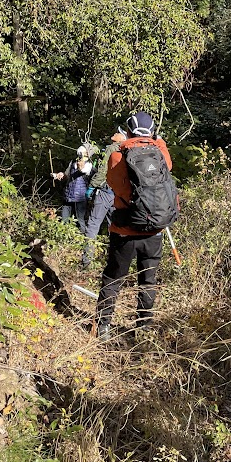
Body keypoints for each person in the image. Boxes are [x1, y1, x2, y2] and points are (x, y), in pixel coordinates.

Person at [95, 111, 175, 341]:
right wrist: (155, 140)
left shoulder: (117, 157)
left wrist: (124, 143)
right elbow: (167, 163)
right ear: (152, 132)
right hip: (154, 230)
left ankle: (103, 326)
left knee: (113, 278)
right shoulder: (160, 154)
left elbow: (113, 183)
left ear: (128, 130)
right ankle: (143, 327)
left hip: (124, 232)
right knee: (148, 281)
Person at [81, 127, 127, 269]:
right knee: (114, 227)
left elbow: (102, 171)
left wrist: (91, 186)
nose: (114, 133)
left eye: (118, 133)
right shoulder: (128, 150)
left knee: (93, 224)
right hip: (118, 194)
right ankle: (115, 262)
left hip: (105, 191)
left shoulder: (112, 148)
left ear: (122, 138)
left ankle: (87, 262)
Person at [52, 145, 94, 232]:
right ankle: (63, 234)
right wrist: (60, 175)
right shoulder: (73, 162)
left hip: (80, 196)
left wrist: (80, 165)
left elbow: (83, 171)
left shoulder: (89, 164)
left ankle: (83, 236)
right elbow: (67, 174)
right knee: (64, 218)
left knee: (79, 219)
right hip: (69, 194)